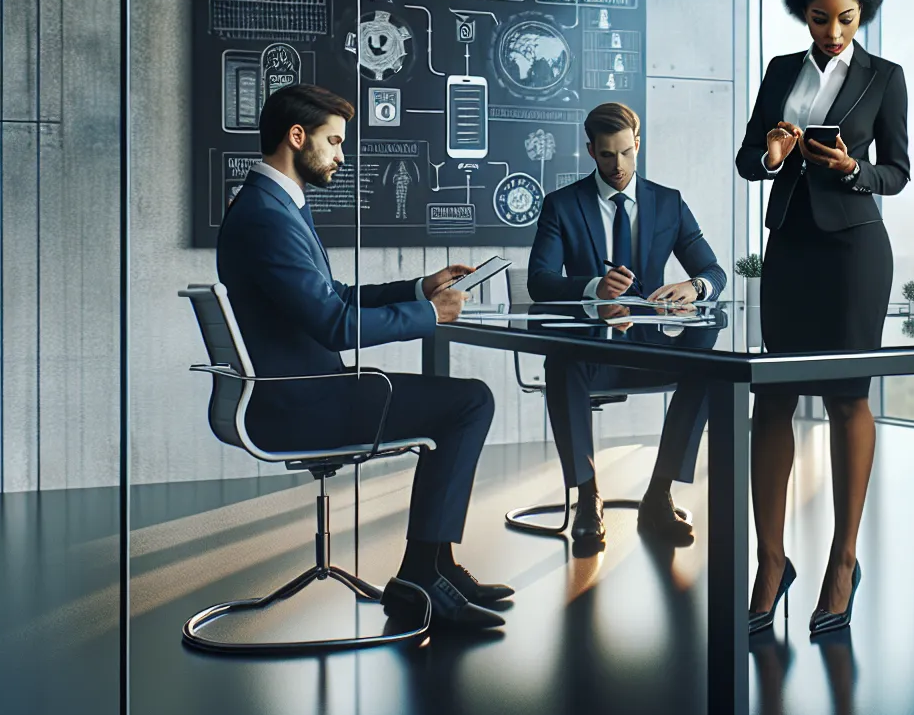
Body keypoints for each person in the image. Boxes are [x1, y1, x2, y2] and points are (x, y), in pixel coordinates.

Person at [216, 83, 509, 630]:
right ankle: (422, 576)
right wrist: (431, 316)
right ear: (296, 137)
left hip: (301, 391)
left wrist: (418, 289)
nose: (341, 155)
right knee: (469, 401)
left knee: (462, 401)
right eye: (333, 141)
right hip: (299, 403)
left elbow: (332, 298)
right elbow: (332, 324)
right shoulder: (267, 216)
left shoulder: (272, 205)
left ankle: (436, 568)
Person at [736, 0, 910, 636]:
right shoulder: (780, 70)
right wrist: (773, 154)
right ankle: (771, 562)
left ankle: (843, 562)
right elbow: (749, 159)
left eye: (845, 19)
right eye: (818, 18)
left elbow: (896, 172)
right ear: (801, 12)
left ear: (862, 12)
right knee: (771, 398)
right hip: (790, 248)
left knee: (845, 398)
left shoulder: (885, 76)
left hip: (854, 251)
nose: (832, 33)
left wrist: (850, 168)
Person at [526, 102, 728, 552]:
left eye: (624, 153)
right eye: (605, 156)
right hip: (589, 356)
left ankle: (658, 494)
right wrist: (594, 286)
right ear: (590, 151)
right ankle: (586, 496)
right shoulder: (562, 205)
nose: (617, 166)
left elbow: (714, 271)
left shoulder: (669, 203)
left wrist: (694, 286)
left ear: (637, 145)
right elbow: (539, 282)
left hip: (651, 350)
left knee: (710, 362)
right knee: (562, 363)